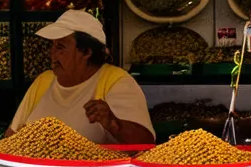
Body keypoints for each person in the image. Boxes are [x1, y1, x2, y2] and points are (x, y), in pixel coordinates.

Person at [8, 10, 154, 144]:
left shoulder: (115, 81)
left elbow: (144, 144)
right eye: (52, 46)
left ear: (86, 52)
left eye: (60, 47)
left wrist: (113, 123)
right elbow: (11, 136)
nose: (52, 54)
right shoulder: (44, 81)